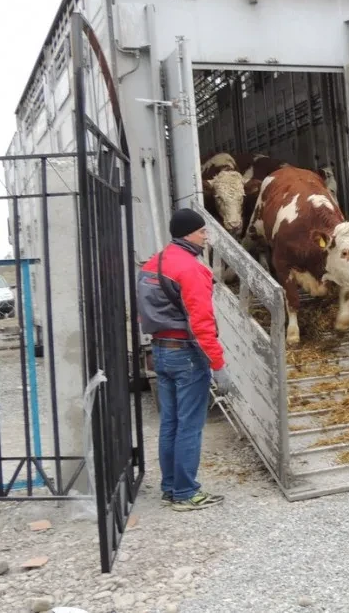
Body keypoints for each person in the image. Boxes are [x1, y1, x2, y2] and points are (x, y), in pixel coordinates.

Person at [137, 208, 226, 511]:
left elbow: (143, 311)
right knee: (189, 425)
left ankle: (171, 488)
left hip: (160, 351)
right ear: (188, 234)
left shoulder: (153, 263)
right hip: (186, 354)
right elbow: (202, 323)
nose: (205, 237)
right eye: (202, 231)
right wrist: (218, 365)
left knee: (170, 423)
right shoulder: (191, 269)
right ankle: (186, 493)